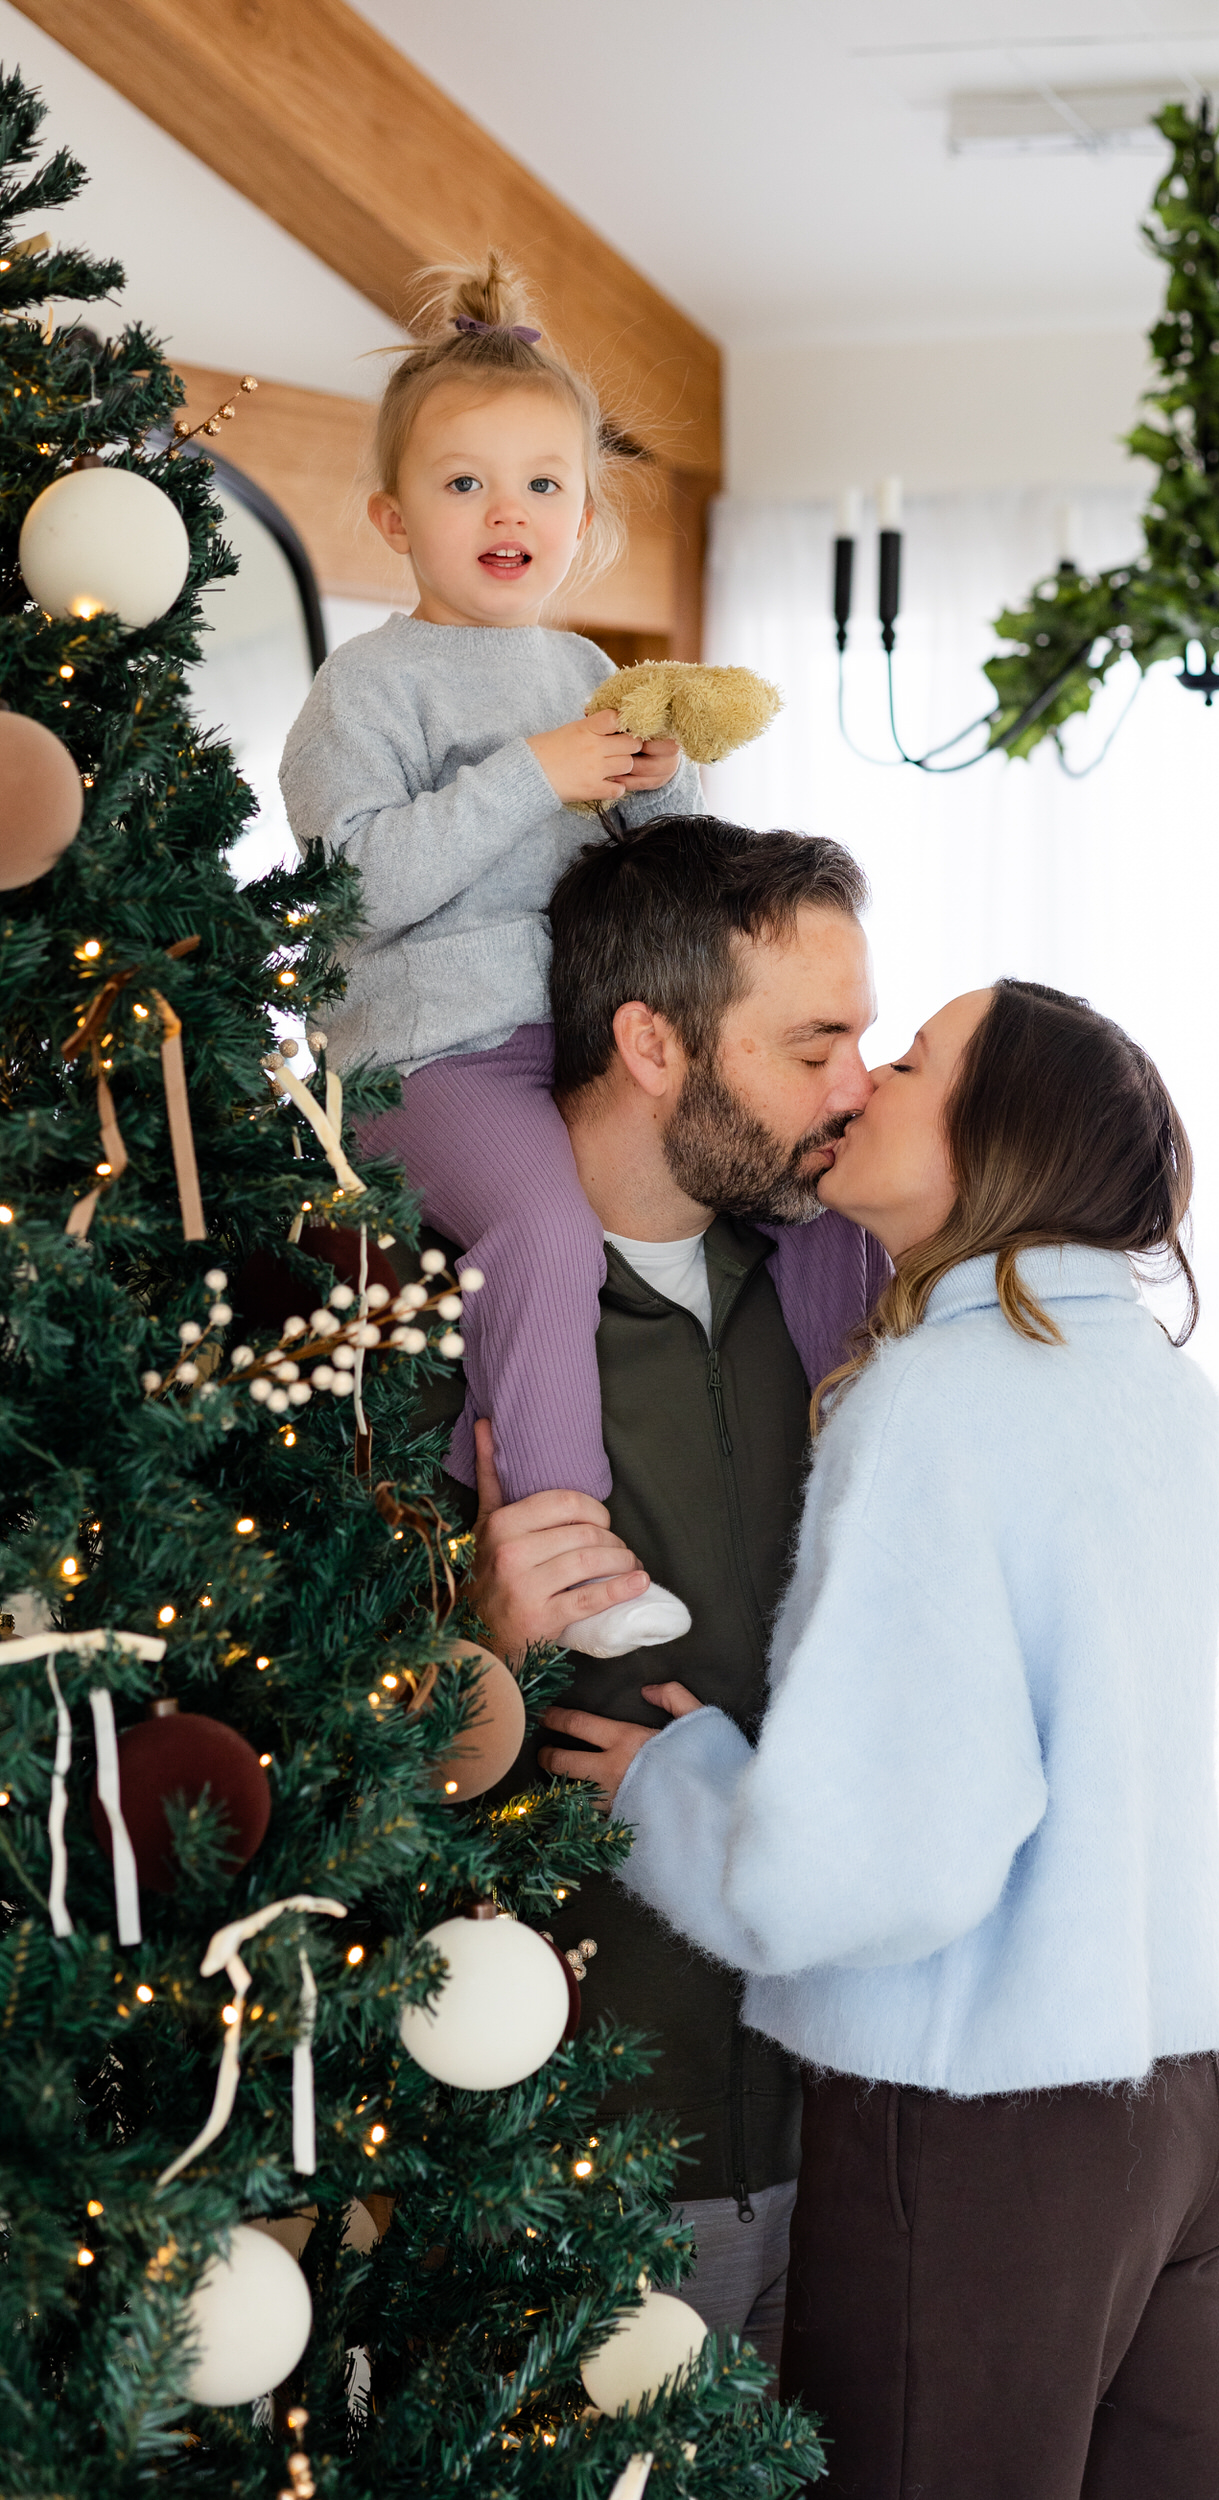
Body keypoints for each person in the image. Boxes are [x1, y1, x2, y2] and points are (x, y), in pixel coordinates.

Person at [541, 980, 1219, 2500]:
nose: (861, 1082)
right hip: (1188, 2093)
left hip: (986, 2132)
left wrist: (673, 1789)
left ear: (993, 1138)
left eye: (911, 1062)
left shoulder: (939, 1400)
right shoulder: (1159, 1388)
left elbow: (865, 1872)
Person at [459, 814, 890, 2370]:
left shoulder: (836, 1298)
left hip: (842, 2135)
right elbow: (285, 1745)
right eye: (814, 1045)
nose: (857, 1087)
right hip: (572, 2151)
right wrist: (483, 1647)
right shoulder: (417, 1314)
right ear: (652, 1042)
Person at [279, 252, 702, 1659]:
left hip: (574, 1043)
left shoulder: (588, 675)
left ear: (583, 520)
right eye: (464, 484)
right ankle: (569, 1557)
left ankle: (499, 1457)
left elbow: (666, 882)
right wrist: (533, 774)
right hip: (428, 1054)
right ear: (398, 518)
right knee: (539, 1229)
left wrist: (664, 781)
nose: (506, 511)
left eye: (542, 483)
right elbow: (354, 893)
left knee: (750, 1194)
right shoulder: (368, 686)